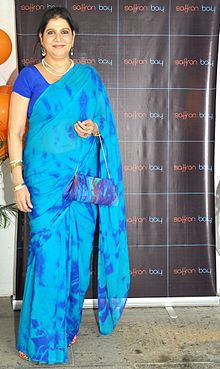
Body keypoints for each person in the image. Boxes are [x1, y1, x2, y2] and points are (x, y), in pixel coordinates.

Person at [8, 6, 130, 365]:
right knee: (45, 257)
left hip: (80, 183)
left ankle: (65, 326)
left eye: (64, 31)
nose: (58, 38)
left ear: (73, 37)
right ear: (41, 39)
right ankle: (40, 338)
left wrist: (94, 129)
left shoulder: (89, 78)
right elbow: (15, 132)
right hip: (43, 182)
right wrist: (17, 181)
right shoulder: (28, 77)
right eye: (51, 32)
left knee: (76, 254)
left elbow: (103, 129)